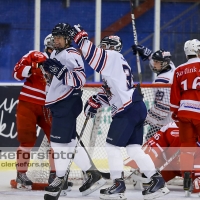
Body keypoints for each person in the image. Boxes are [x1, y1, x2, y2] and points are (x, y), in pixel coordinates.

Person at [68, 25, 170, 200]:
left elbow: (92, 56)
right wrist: (96, 101)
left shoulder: (113, 57)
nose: (102, 49)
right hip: (136, 106)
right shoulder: (117, 64)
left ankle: (118, 185)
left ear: (110, 47)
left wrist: (81, 38)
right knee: (134, 149)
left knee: (112, 147)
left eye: (104, 47)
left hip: (128, 109)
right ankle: (156, 181)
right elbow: (111, 91)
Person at [42, 23, 106, 196]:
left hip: (67, 103)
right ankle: (93, 174)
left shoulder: (72, 54)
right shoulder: (57, 53)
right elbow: (57, 78)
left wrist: (60, 72)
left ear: (68, 39)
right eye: (55, 38)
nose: (56, 41)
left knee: (57, 143)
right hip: (60, 103)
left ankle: (60, 179)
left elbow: (80, 79)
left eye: (59, 38)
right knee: (69, 143)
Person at [12, 34, 55, 190]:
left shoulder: (64, 61)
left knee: (57, 142)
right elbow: (16, 73)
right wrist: (34, 67)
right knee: (27, 142)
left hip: (49, 107)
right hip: (28, 104)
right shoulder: (35, 55)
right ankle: (21, 174)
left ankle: (55, 175)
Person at [124, 121, 200, 194]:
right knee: (149, 178)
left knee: (196, 184)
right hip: (170, 166)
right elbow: (153, 146)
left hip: (193, 168)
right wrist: (140, 163)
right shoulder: (171, 127)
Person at [170, 39, 200, 194]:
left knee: (187, 146)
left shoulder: (179, 69)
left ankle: (187, 176)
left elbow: (175, 97)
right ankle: (199, 179)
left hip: (184, 112)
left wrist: (175, 113)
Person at [132, 45, 176, 140]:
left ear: (164, 64)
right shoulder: (172, 69)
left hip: (165, 124)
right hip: (175, 121)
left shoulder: (162, 81)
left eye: (156, 62)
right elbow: (166, 60)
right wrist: (147, 53)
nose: (153, 64)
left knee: (150, 143)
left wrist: (144, 120)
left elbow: (161, 109)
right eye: (154, 61)